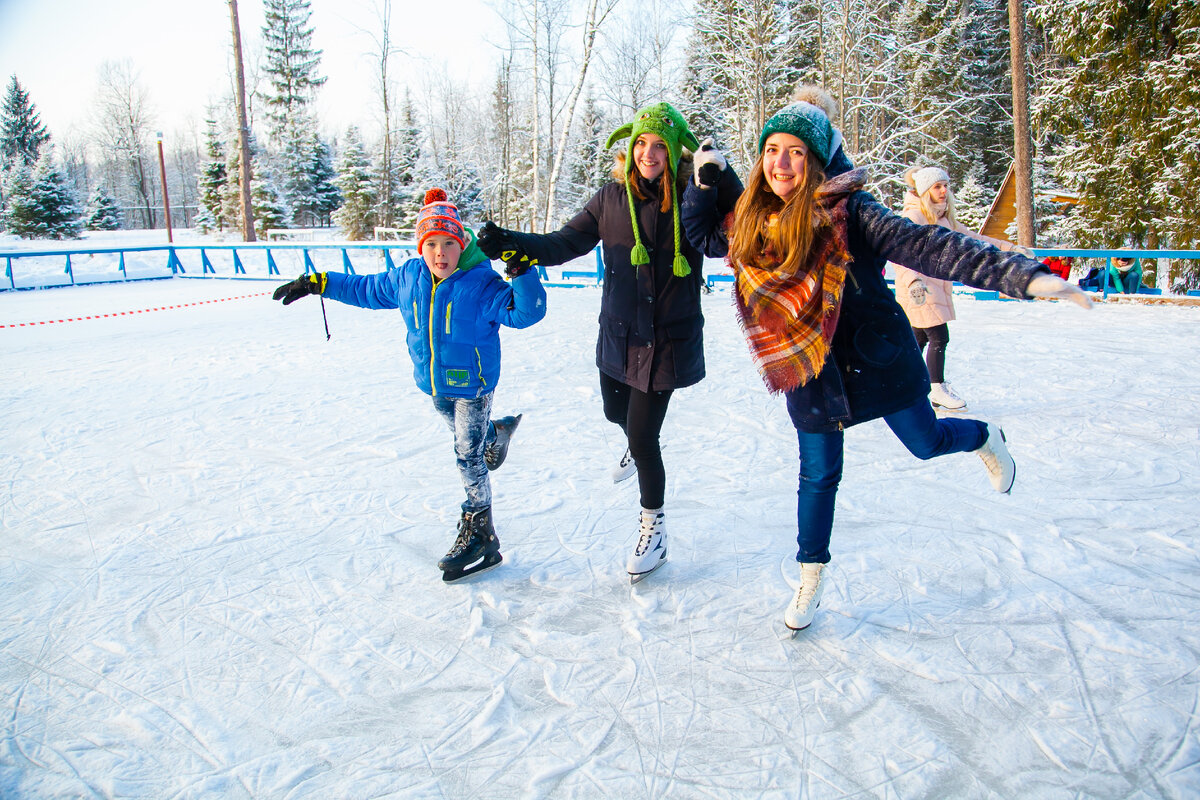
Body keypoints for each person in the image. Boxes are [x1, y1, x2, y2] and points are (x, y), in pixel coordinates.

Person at [681, 86, 1091, 632]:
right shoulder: (751, 220)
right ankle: (810, 575)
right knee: (818, 475)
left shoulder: (852, 212)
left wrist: (1022, 276)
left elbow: (930, 246)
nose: (782, 163)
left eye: (798, 152)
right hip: (811, 370)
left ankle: (984, 436)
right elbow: (703, 235)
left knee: (927, 443)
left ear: (818, 160)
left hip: (877, 356)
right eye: (773, 149)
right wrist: (705, 182)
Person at [476, 102, 737, 583]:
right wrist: (509, 242)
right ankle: (633, 448)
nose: (649, 153)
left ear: (675, 151)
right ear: (630, 146)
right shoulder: (610, 199)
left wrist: (719, 172)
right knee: (615, 415)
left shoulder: (692, 197)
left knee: (643, 436)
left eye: (660, 145)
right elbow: (562, 243)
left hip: (667, 338)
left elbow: (738, 219)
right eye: (641, 143)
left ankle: (653, 530)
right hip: (618, 333)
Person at [272, 188, 547, 582]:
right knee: (471, 443)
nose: (440, 253)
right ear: (421, 247)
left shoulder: (481, 284)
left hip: (474, 386)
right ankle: (496, 434)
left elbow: (527, 313)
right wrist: (320, 282)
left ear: (462, 243)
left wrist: (520, 271)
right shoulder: (409, 278)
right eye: (431, 244)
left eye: (449, 243)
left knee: (467, 457)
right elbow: (365, 289)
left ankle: (481, 533)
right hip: (433, 384)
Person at [890, 166, 1027, 412]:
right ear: (924, 191)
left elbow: (973, 240)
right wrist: (913, 282)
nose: (943, 191)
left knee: (918, 339)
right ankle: (937, 388)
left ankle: (900, 386)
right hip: (920, 289)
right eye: (937, 187)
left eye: (945, 186)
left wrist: (1009, 248)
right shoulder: (914, 218)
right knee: (939, 336)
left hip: (935, 287)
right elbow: (900, 254)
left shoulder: (944, 219)